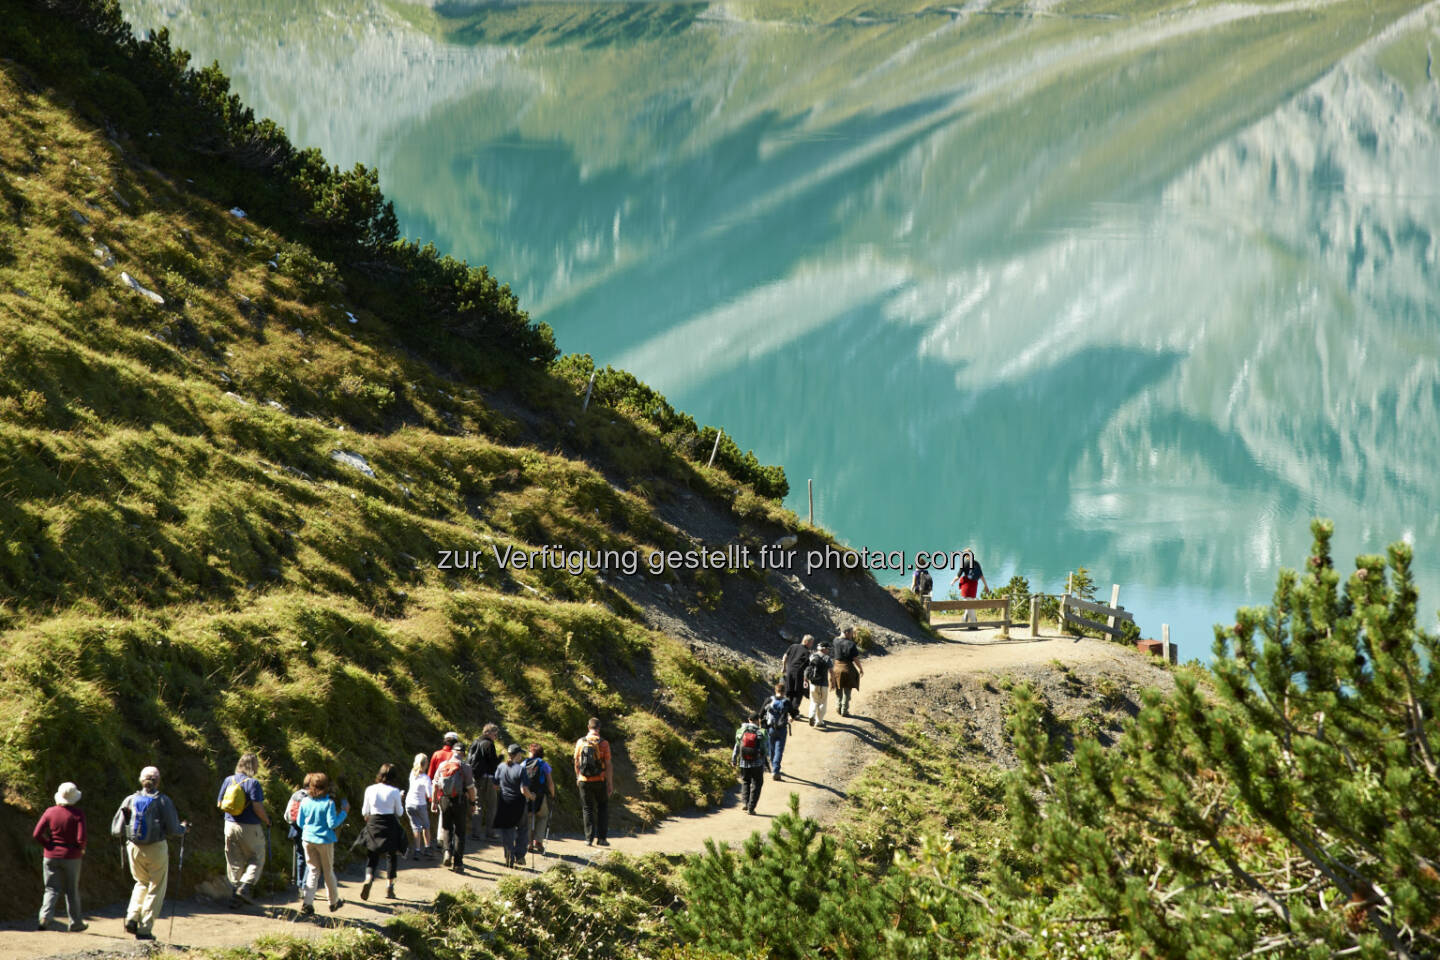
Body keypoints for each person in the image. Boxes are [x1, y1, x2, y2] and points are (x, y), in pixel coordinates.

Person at [113, 766, 189, 941]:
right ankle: (145, 929)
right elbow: (173, 829)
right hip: (156, 848)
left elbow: (116, 829)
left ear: (141, 780)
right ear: (158, 781)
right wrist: (184, 828)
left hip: (133, 847)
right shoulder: (163, 800)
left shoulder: (130, 799)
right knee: (156, 887)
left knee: (141, 882)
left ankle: (132, 917)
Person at [216, 752, 270, 908]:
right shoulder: (253, 783)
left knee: (234, 860)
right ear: (254, 766)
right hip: (249, 826)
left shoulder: (228, 780)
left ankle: (234, 896)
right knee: (256, 857)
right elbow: (257, 807)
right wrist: (267, 820)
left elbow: (219, 803)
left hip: (229, 825)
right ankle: (245, 887)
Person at [34, 781, 86, 932]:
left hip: (50, 855)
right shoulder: (78, 814)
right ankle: (76, 923)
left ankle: (45, 917)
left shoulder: (50, 812)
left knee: (51, 888)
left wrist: (48, 845)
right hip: (71, 856)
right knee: (72, 890)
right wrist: (81, 849)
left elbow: (36, 833)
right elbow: (81, 839)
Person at [296, 772, 348, 915]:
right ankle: (333, 902)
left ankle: (307, 903)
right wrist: (344, 813)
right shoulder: (328, 803)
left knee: (313, 870)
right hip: (324, 841)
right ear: (326, 787)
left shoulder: (305, 801)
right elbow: (332, 824)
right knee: (328, 871)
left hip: (307, 839)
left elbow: (300, 822)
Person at [355, 763, 407, 900]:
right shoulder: (395, 791)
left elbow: (364, 811)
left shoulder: (370, 789)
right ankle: (389, 888)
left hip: (373, 822)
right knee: (391, 856)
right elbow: (400, 813)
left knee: (372, 855)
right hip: (390, 823)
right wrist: (400, 800)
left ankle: (368, 878)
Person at [431, 747, 476, 872]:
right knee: (460, 831)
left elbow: (434, 785)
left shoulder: (442, 765)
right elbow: (471, 788)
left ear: (453, 753)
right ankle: (458, 863)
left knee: (446, 828)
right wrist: (473, 803)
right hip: (460, 801)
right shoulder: (465, 767)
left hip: (444, 799)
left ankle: (446, 852)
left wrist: (434, 802)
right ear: (463, 754)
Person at [492, 744, 535, 869]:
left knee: (507, 830)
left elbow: (495, 785)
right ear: (518, 755)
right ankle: (520, 856)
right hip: (519, 804)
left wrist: (504, 790)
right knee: (522, 829)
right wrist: (532, 796)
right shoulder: (520, 769)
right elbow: (523, 789)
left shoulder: (500, 767)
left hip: (504, 803)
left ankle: (509, 854)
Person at [573, 717, 613, 847]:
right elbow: (608, 764)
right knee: (602, 807)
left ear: (588, 727)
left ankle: (588, 839)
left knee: (587, 809)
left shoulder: (580, 742)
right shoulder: (604, 743)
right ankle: (601, 839)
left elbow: (576, 762)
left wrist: (578, 776)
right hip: (599, 780)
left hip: (584, 780)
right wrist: (609, 783)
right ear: (599, 728)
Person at [731, 712, 772, 814]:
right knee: (757, 784)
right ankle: (751, 808)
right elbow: (766, 749)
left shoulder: (741, 731)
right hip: (757, 763)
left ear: (749, 720)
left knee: (745, 781)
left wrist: (734, 759)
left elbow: (737, 746)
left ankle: (745, 802)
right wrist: (767, 761)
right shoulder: (762, 732)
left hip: (743, 762)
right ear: (758, 720)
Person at [467, 723, 501, 842]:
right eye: (495, 734)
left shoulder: (475, 742)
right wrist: (500, 759)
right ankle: (490, 832)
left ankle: (475, 833)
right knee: (492, 805)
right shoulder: (489, 744)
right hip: (487, 779)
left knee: (478, 805)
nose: (495, 737)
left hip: (475, 778)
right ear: (488, 733)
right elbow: (493, 764)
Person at [525, 744, 556, 855]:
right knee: (542, 816)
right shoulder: (544, 764)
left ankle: (528, 843)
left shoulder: (524, 763)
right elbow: (550, 782)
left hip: (527, 794)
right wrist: (553, 794)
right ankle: (538, 841)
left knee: (528, 818)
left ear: (531, 752)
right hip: (540, 795)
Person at [830, 625, 865, 717]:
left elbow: (834, 651)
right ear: (846, 632)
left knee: (838, 689)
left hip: (836, 668)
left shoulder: (835, 640)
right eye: (851, 633)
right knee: (847, 691)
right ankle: (844, 710)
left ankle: (838, 707)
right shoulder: (851, 644)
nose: (852, 635)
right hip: (847, 668)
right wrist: (860, 668)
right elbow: (855, 658)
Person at [405, 753, 434, 860]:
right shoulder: (426, 778)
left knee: (415, 827)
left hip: (409, 803)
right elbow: (429, 794)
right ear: (426, 764)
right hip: (420, 804)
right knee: (426, 826)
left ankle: (417, 850)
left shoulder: (412, 774)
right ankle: (427, 848)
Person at [760, 683, 792, 781]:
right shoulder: (786, 702)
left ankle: (774, 766)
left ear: (775, 690)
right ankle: (776, 770)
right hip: (782, 729)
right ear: (784, 691)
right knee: (779, 749)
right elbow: (794, 712)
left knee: (772, 748)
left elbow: (761, 713)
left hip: (770, 728)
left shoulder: (769, 700)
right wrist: (791, 718)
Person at [951, 548, 989, 628]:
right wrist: (986, 586)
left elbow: (958, 575)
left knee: (969, 605)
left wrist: (953, 582)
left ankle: (974, 624)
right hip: (974, 585)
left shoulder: (965, 563)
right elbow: (981, 576)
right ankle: (964, 622)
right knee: (970, 603)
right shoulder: (977, 563)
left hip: (966, 586)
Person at [780, 635, 814, 717]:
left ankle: (788, 710)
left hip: (789, 671)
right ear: (806, 642)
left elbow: (784, 657)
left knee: (789, 690)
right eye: (811, 643)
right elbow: (808, 666)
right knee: (798, 692)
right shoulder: (807, 652)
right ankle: (794, 712)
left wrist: (784, 667)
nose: (811, 645)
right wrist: (807, 678)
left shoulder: (793, 646)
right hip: (798, 673)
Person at [283, 783, 308, 889]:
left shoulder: (295, 795)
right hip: (308, 831)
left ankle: (299, 883)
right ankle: (305, 885)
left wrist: (292, 824)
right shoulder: (311, 797)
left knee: (300, 856)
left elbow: (286, 815)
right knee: (311, 859)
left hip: (295, 830)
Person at [806, 641, 835, 729]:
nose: (829, 651)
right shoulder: (827, 658)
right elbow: (831, 671)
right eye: (828, 649)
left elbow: (807, 668)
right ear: (824, 649)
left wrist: (806, 679)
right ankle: (819, 722)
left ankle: (811, 715)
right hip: (823, 684)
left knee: (814, 701)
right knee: (822, 703)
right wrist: (832, 682)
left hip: (813, 683)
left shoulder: (812, 656)